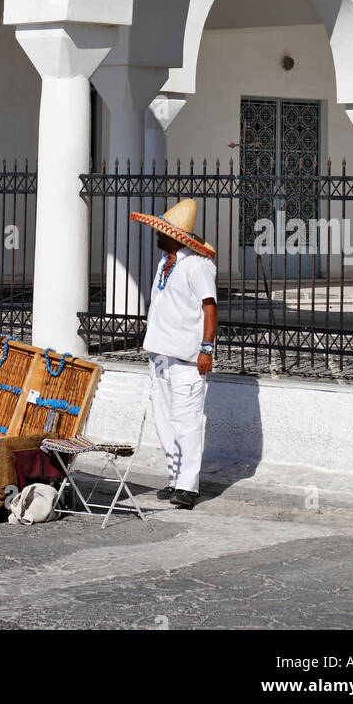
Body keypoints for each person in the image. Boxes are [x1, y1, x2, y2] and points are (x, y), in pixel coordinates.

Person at [131, 200, 218, 510]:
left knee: (187, 421)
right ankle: (175, 479)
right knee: (165, 421)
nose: (156, 235)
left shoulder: (196, 265)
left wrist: (206, 349)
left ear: (175, 236)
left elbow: (210, 307)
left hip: (187, 358)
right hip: (161, 356)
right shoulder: (164, 263)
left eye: (160, 231)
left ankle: (188, 486)